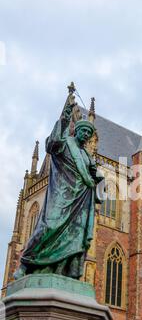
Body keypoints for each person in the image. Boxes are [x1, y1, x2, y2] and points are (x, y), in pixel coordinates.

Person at [14, 95, 104, 280]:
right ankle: (25, 263)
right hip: (61, 196)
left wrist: (100, 184)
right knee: (47, 228)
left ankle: (65, 273)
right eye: (83, 131)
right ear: (76, 131)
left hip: (80, 202)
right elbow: (53, 143)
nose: (86, 135)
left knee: (76, 238)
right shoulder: (65, 144)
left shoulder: (87, 156)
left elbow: (97, 177)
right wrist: (66, 115)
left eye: (89, 133)